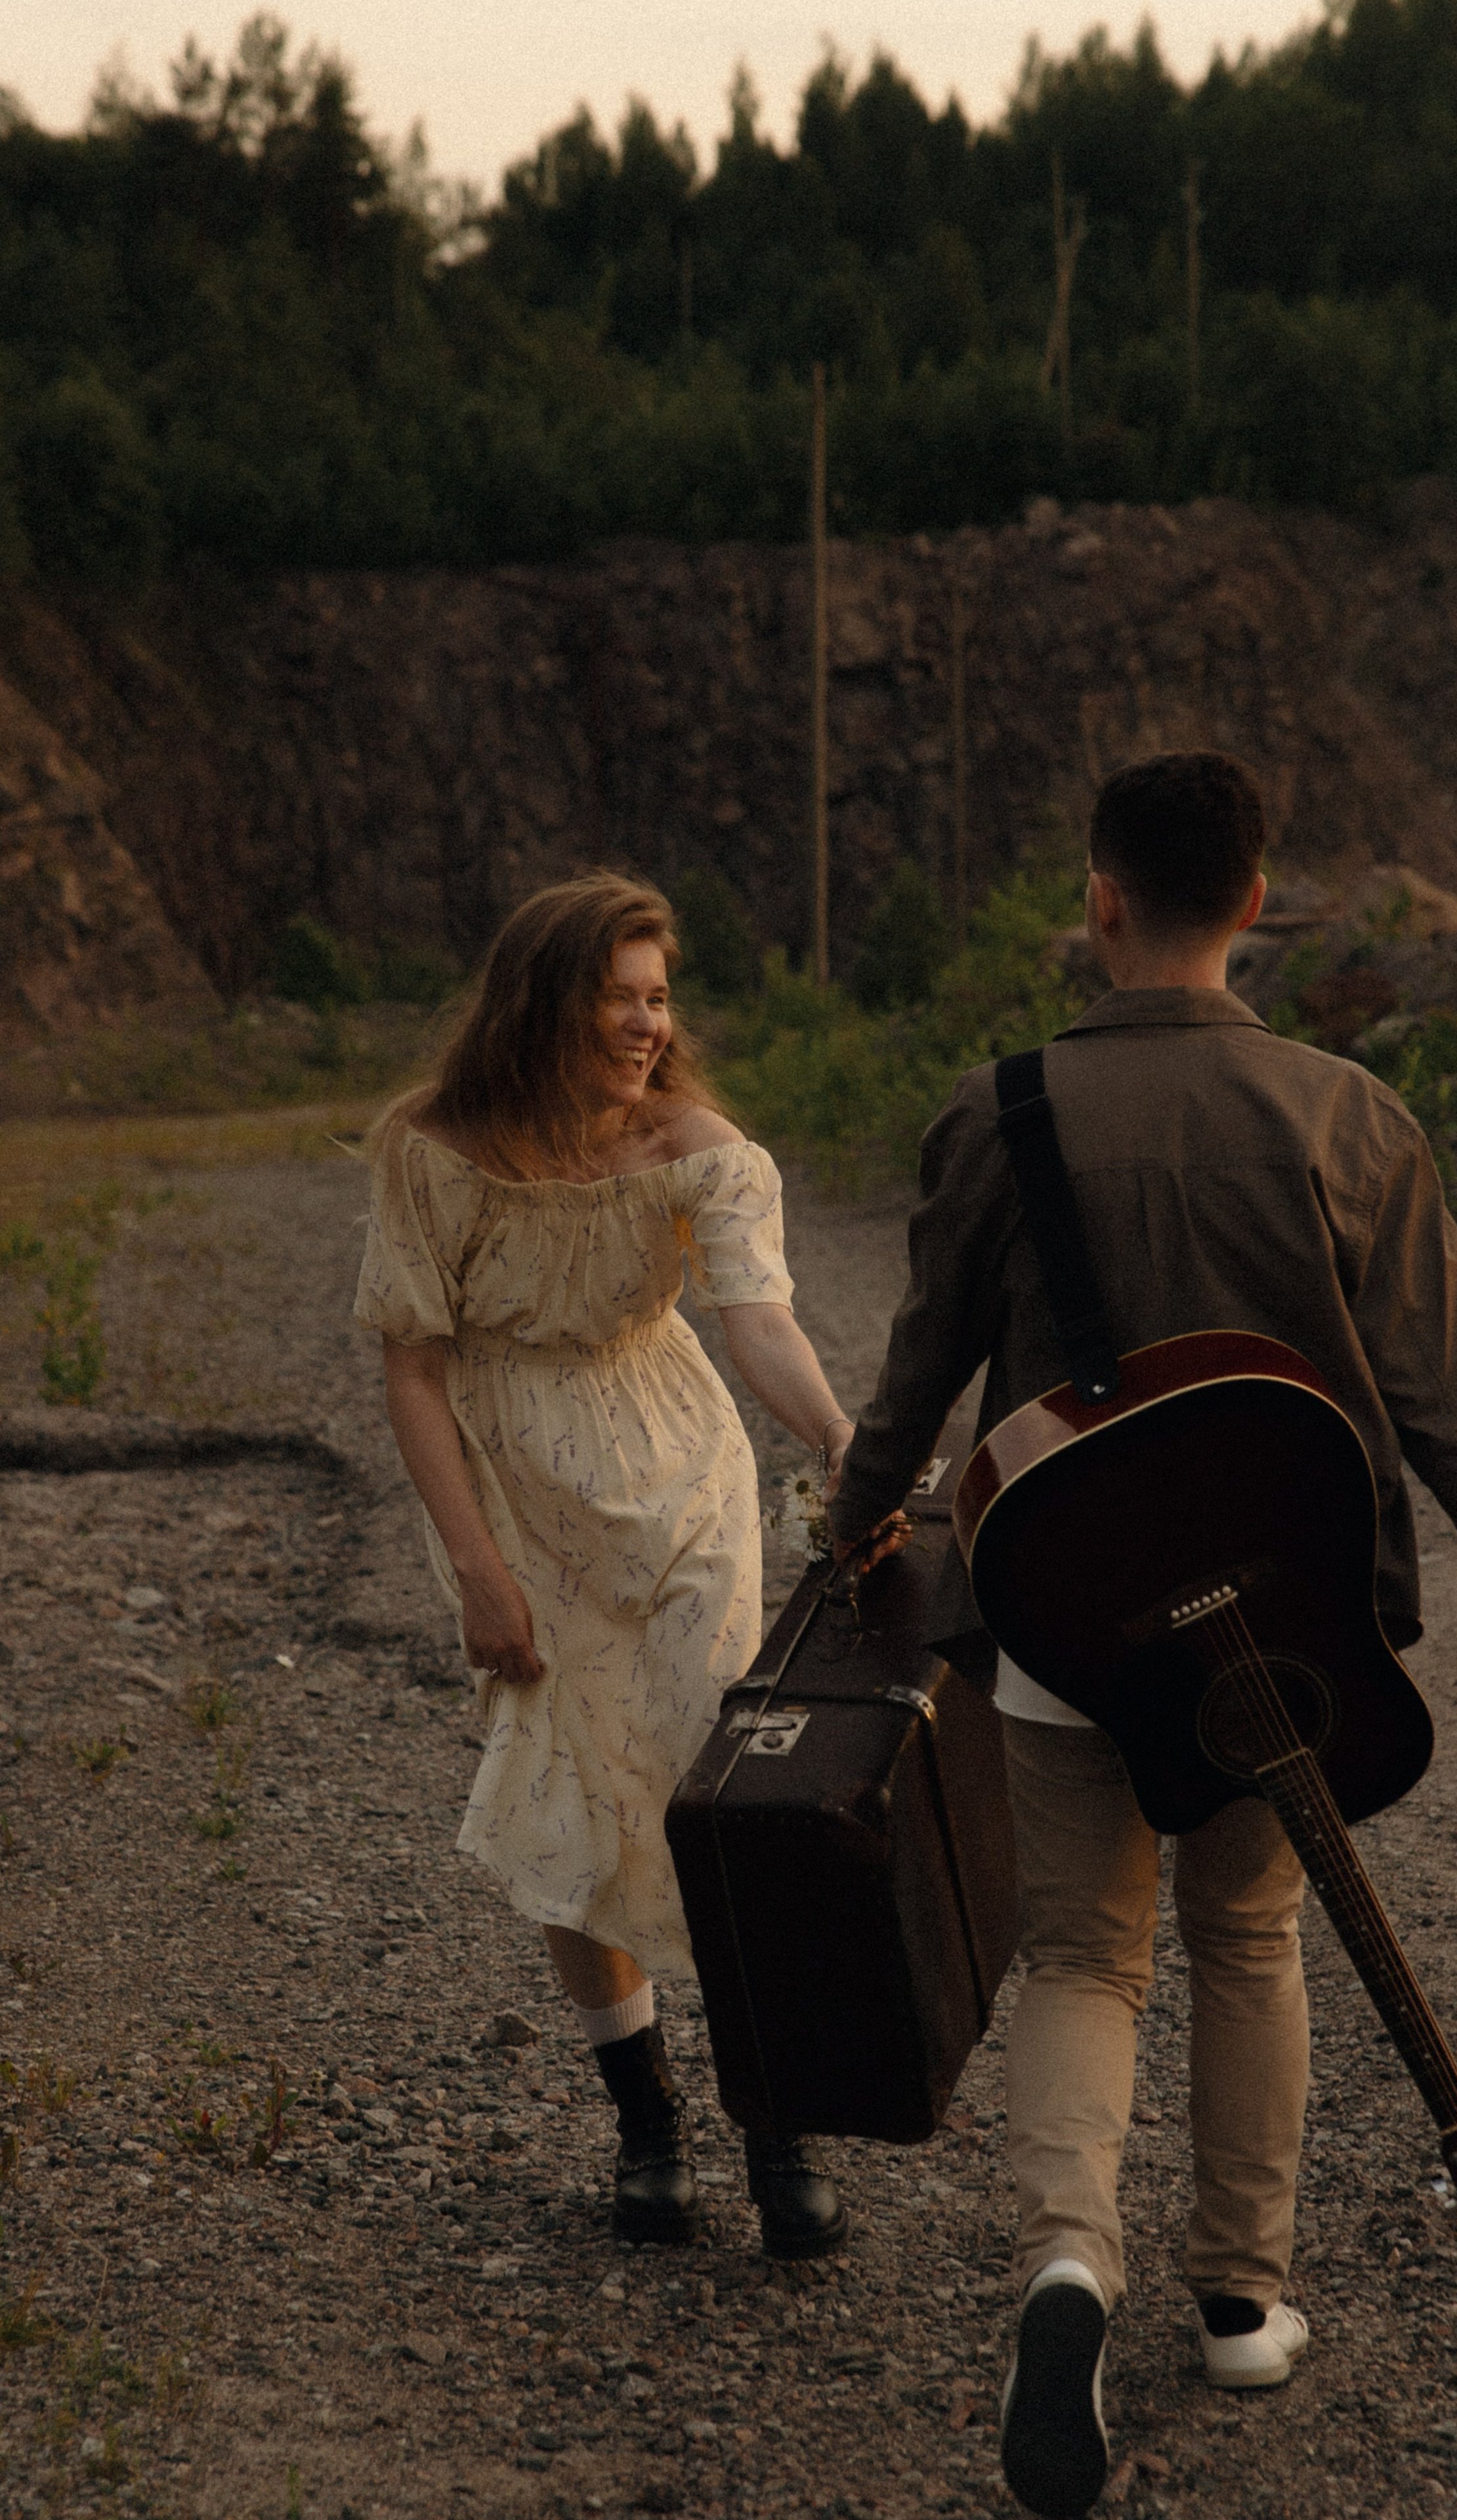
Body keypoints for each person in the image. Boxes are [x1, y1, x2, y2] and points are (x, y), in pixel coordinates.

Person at [829, 752, 1457, 2519]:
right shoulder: (1345, 1113)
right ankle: (1244, 2298)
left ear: (1099, 899)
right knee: (1250, 1941)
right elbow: (1452, 1391)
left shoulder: (997, 1109)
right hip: (1288, 1622)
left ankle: (1065, 2266)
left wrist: (849, 1529)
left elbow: (913, 1383)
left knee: (1080, 1957)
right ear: (1258, 907)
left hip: (1059, 1617)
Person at [354, 871, 858, 2259]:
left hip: (678, 1465)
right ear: (542, 1000)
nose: (648, 1024)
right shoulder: (431, 1149)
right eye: (618, 996)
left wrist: (837, 1439)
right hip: (514, 1486)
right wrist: (472, 1567)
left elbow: (756, 1318)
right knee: (571, 1800)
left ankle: (775, 2119)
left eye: (659, 997)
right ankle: (645, 2123)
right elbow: (412, 1365)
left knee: (714, 1788)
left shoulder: (695, 1148)